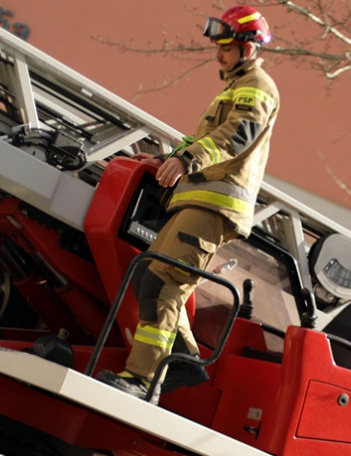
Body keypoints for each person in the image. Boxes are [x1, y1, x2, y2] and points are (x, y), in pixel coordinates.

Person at [98, 5, 279, 401]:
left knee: (165, 284)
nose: (219, 53)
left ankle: (142, 380)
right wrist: (169, 158)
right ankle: (183, 363)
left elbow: (236, 135)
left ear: (249, 48)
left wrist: (187, 160)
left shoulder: (258, 86)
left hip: (215, 208)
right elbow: (210, 135)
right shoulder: (234, 87)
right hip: (196, 202)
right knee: (148, 277)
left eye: (227, 47)